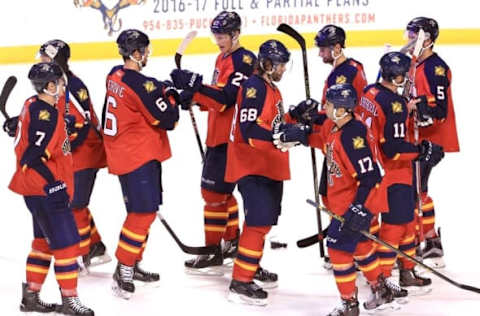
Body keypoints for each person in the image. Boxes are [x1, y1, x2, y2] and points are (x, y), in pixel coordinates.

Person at [276, 83, 396, 315]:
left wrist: (358, 210)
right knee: (360, 245)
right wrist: (302, 135)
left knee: (338, 250)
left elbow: (370, 176)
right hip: (343, 201)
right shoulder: (335, 126)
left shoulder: (354, 135)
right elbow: (322, 139)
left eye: (329, 104)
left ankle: (349, 304)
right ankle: (381, 288)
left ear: (342, 110)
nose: (325, 107)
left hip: (356, 202)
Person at [170, 11, 266, 278]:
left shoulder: (245, 60)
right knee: (222, 195)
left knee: (213, 195)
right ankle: (232, 241)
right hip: (218, 135)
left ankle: (213, 250)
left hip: (232, 139)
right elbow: (215, 97)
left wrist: (196, 85)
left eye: (222, 36)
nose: (218, 41)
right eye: (216, 36)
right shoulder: (221, 57)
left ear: (236, 34)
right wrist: (194, 97)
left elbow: (226, 98)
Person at [8, 62, 94, 315]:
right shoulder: (48, 116)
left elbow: (30, 138)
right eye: (59, 81)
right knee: (67, 245)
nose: (64, 85)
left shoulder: (31, 104)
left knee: (43, 242)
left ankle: (31, 297)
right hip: (45, 189)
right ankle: (70, 300)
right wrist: (54, 183)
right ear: (49, 85)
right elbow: (32, 157)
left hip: (34, 189)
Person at [356, 52, 443, 297]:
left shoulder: (371, 93)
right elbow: (393, 148)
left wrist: (406, 107)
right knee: (396, 226)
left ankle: (406, 270)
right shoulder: (394, 106)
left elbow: (382, 116)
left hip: (374, 168)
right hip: (393, 172)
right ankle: (383, 279)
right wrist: (420, 150)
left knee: (407, 222)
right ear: (396, 76)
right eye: (405, 74)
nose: (407, 78)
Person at [102, 29, 180, 299]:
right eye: (144, 50)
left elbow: (143, 86)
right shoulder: (140, 85)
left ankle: (133, 262)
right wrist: (173, 96)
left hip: (125, 153)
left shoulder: (115, 74)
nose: (147, 53)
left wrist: (160, 87)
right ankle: (123, 266)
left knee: (141, 210)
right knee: (143, 212)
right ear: (136, 53)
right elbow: (168, 119)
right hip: (137, 156)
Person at [224, 39, 297, 305]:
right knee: (257, 222)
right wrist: (285, 132)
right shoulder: (255, 87)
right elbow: (250, 129)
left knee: (263, 222)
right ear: (266, 64)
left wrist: (295, 117)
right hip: (252, 165)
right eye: (279, 65)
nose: (281, 70)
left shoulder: (270, 88)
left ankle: (250, 265)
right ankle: (240, 281)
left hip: (266, 164)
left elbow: (272, 123)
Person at [37, 39, 111, 271]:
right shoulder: (55, 83)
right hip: (77, 152)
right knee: (74, 201)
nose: (42, 63)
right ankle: (95, 246)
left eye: (46, 59)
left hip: (85, 152)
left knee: (73, 204)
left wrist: (59, 149)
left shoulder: (71, 87)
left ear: (57, 60)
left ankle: (79, 255)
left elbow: (80, 127)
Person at [405, 17, 460, 268]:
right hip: (415, 138)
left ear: (426, 38)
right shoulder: (415, 63)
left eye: (412, 34)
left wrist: (423, 107)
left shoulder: (436, 67)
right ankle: (427, 240)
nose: (408, 38)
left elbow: (440, 110)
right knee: (416, 190)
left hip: (431, 140)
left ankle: (424, 242)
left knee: (416, 191)